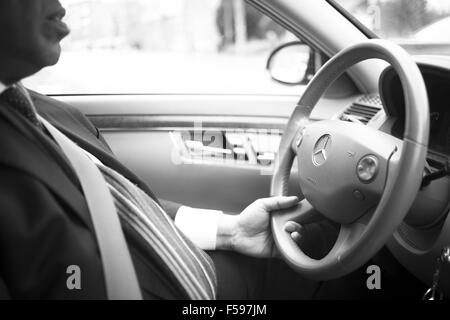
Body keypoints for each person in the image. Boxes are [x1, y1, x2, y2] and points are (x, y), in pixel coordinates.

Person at [0, 0, 425, 300]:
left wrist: (230, 232)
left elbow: (117, 209)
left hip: (198, 273)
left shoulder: (42, 111)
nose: (63, 2)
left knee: (330, 248)